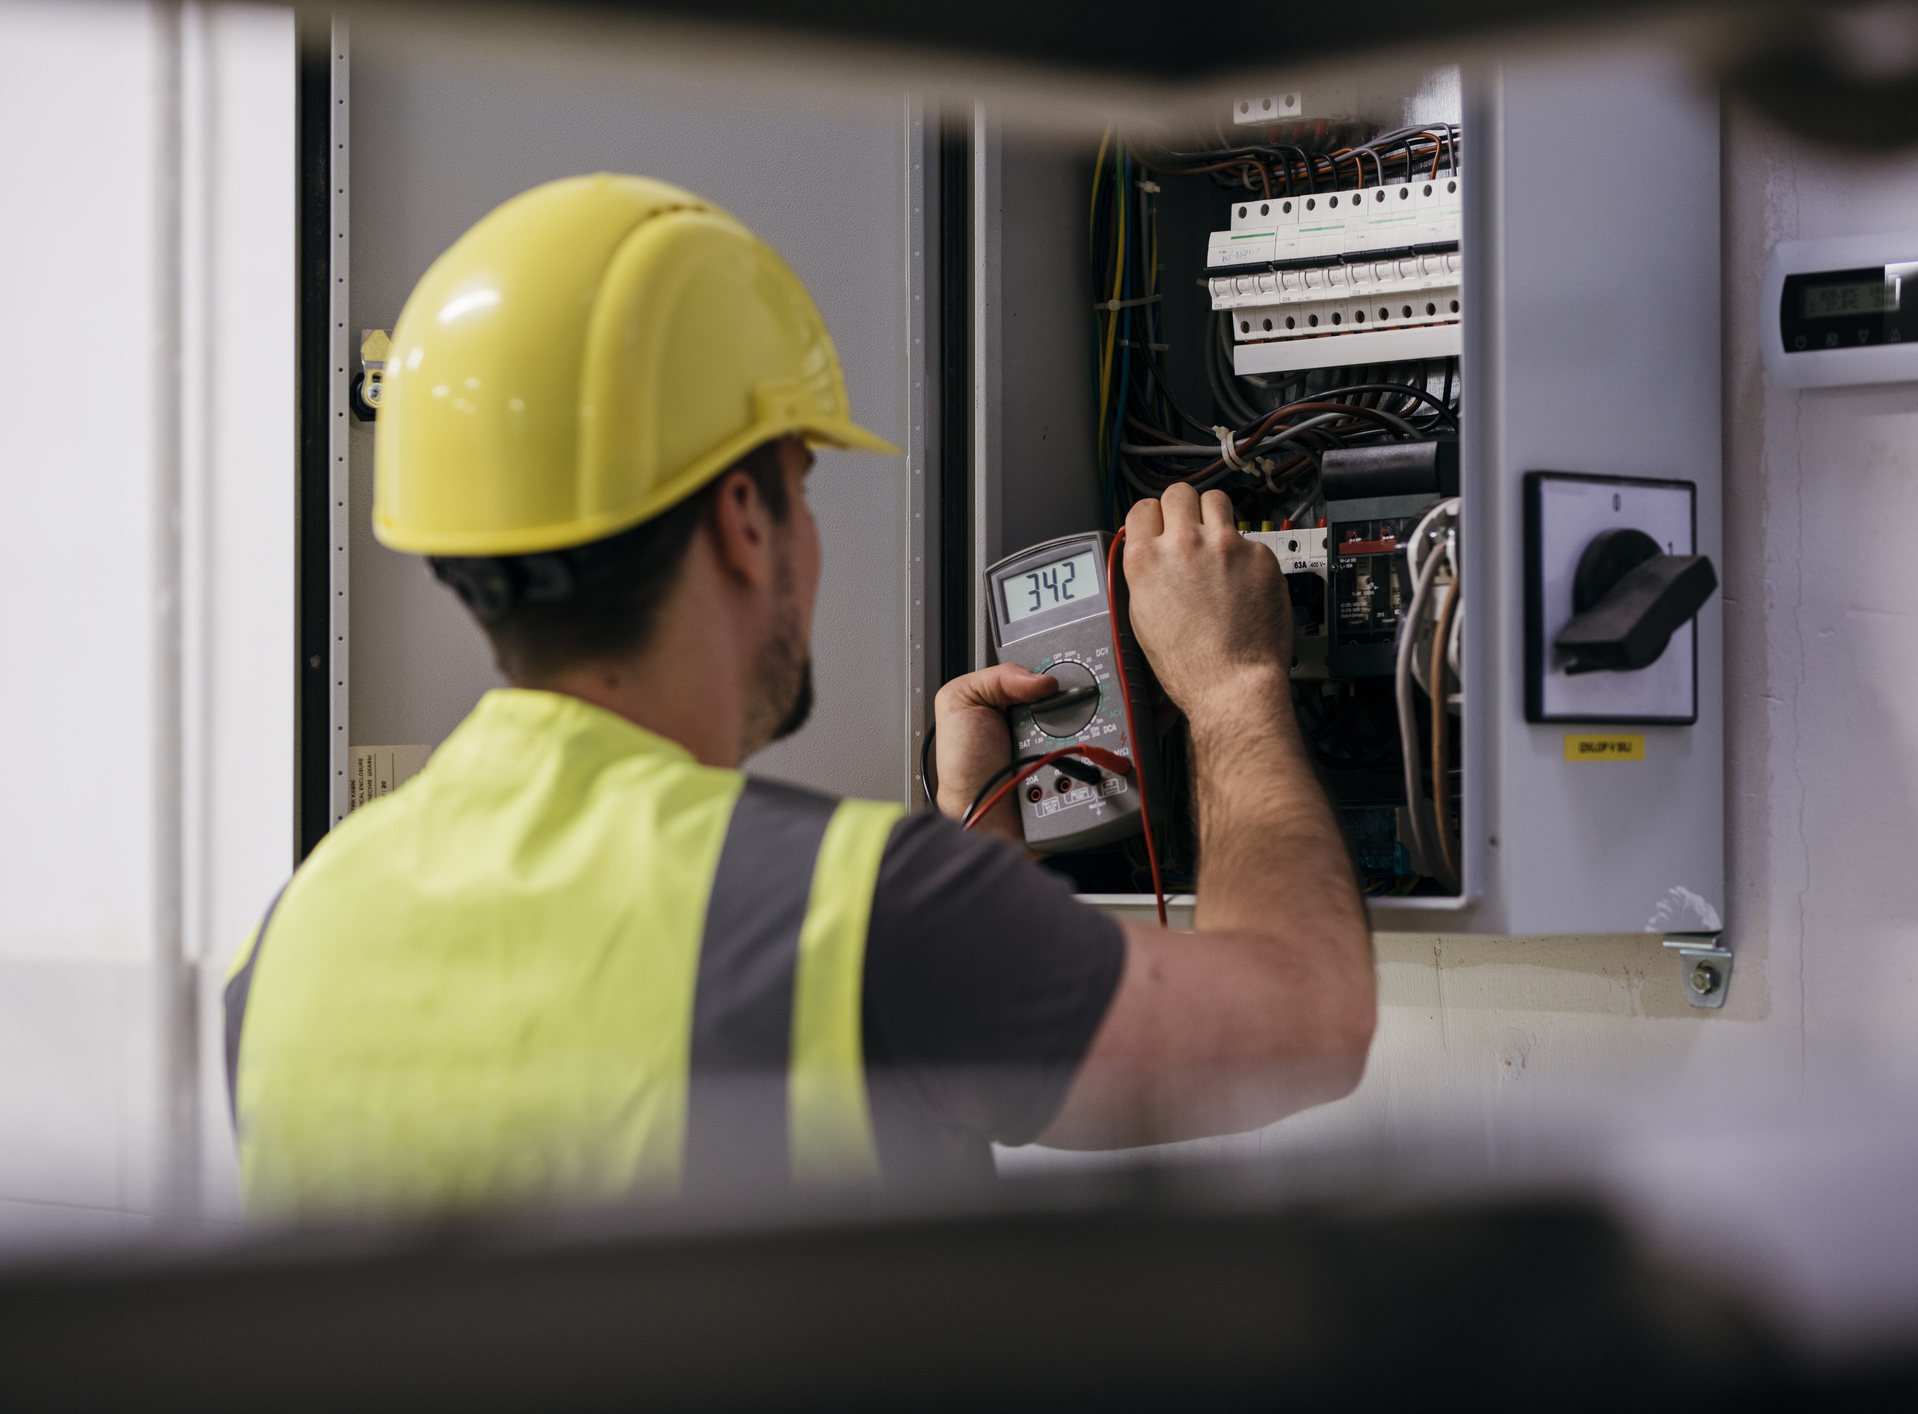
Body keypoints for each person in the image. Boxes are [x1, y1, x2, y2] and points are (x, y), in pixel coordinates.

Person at [223, 174, 1373, 1216]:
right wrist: (1229, 684)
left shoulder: (286, 945)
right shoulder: (860, 909)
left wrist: (981, 838)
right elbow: (1304, 1025)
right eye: (804, 489)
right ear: (741, 521)